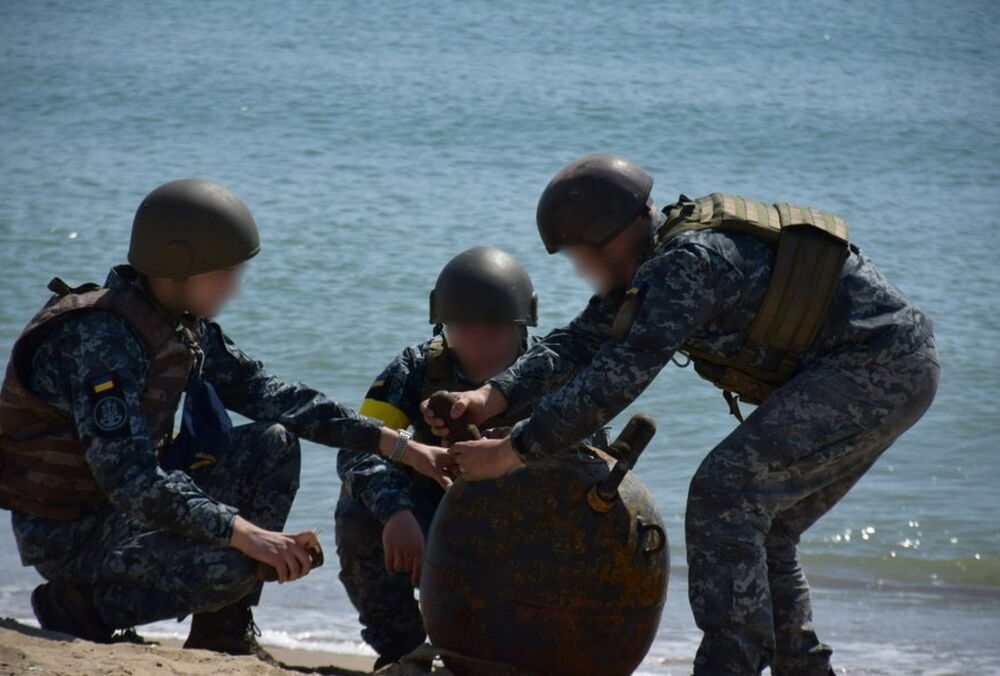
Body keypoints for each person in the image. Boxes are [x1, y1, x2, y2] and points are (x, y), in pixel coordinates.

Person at [421, 154, 940, 675]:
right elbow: (581, 341)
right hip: (888, 365)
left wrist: (511, 453)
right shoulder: (654, 260)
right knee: (768, 526)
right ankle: (803, 669)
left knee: (724, 491)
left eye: (582, 255)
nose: (582, 270)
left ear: (613, 236)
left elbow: (612, 382)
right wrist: (491, 397)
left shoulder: (687, 266)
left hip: (877, 364)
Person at [0, 179, 452, 656]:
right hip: (71, 532)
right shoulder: (102, 343)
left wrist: (402, 447)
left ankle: (222, 630)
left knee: (273, 441)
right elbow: (130, 480)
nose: (235, 286)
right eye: (224, 272)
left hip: (119, 509)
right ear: (179, 268)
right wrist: (251, 537)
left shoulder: (175, 323)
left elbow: (275, 397)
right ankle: (79, 607)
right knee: (236, 567)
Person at [336, 247, 541, 669]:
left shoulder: (551, 373)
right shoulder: (416, 369)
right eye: (463, 328)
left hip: (528, 530)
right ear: (442, 326)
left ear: (522, 327)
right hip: (436, 513)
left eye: (495, 330)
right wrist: (396, 511)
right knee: (359, 510)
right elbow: (359, 448)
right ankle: (403, 651)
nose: (479, 344)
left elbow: (591, 464)